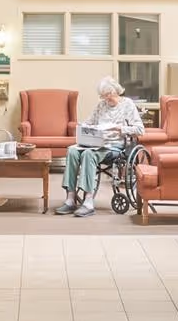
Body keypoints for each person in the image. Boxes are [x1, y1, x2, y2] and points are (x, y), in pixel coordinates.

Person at [56, 77, 145, 217]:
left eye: (108, 95)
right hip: (96, 143)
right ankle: (70, 199)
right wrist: (84, 126)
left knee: (88, 155)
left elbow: (140, 129)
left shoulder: (127, 105)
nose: (106, 99)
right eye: (103, 96)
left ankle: (88, 202)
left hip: (114, 147)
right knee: (72, 150)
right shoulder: (101, 105)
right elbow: (88, 122)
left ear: (115, 91)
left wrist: (120, 128)